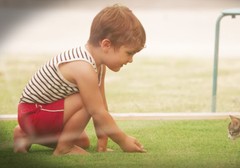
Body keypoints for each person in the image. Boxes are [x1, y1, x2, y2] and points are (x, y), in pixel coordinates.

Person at [13, 4, 146, 155]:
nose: (131, 60)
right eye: (129, 53)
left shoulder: (98, 65)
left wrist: (102, 141)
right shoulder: (83, 67)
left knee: (83, 141)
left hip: (40, 115)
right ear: (106, 45)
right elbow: (97, 110)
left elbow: (101, 105)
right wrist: (123, 140)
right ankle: (64, 148)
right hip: (33, 113)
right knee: (87, 101)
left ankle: (25, 135)